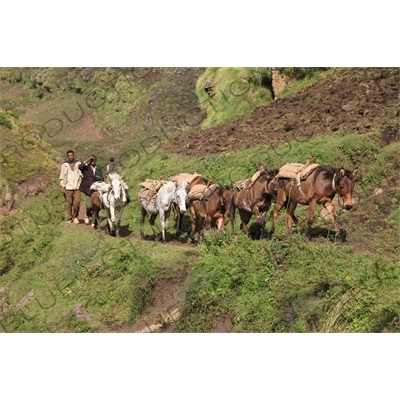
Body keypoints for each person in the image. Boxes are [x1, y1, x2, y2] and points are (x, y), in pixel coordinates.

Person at [79, 155, 103, 225]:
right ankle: (87, 214)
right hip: (88, 189)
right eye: (91, 160)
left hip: (96, 189)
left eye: (93, 160)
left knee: (96, 205)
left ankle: (93, 221)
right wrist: (87, 159)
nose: (92, 161)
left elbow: (100, 177)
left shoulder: (98, 168)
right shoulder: (86, 167)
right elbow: (80, 167)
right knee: (89, 206)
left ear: (96, 160)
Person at [59, 150, 82, 224]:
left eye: (72, 155)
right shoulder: (64, 165)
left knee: (77, 202)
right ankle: (69, 218)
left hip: (77, 186)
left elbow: (82, 173)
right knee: (69, 203)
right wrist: (62, 186)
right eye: (69, 155)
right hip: (68, 187)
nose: (71, 157)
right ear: (67, 156)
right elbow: (62, 176)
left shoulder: (78, 163)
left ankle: (75, 216)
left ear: (74, 155)